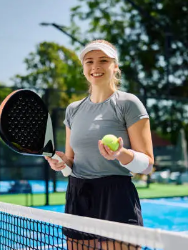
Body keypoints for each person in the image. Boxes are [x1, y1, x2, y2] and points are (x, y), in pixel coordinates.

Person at [45, 40, 154, 249]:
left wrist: (120, 154)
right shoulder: (73, 110)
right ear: (84, 68)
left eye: (103, 60)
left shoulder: (129, 104)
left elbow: (148, 165)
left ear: (115, 67)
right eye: (89, 61)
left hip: (116, 194)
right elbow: (71, 162)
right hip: (78, 193)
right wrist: (61, 163)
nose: (96, 66)